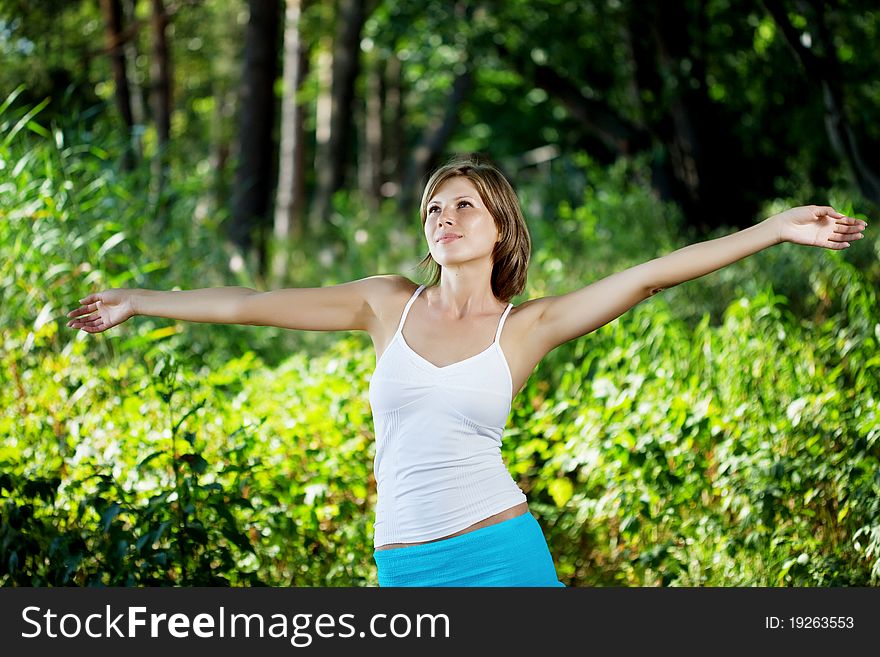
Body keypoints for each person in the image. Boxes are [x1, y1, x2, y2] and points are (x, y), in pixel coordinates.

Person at [66, 154, 869, 587]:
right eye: (433, 209)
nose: (444, 218)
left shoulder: (528, 327)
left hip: (501, 556)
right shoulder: (384, 304)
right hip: (403, 563)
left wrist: (773, 228)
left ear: (499, 228)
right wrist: (143, 298)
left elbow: (653, 273)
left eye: (464, 207)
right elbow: (251, 303)